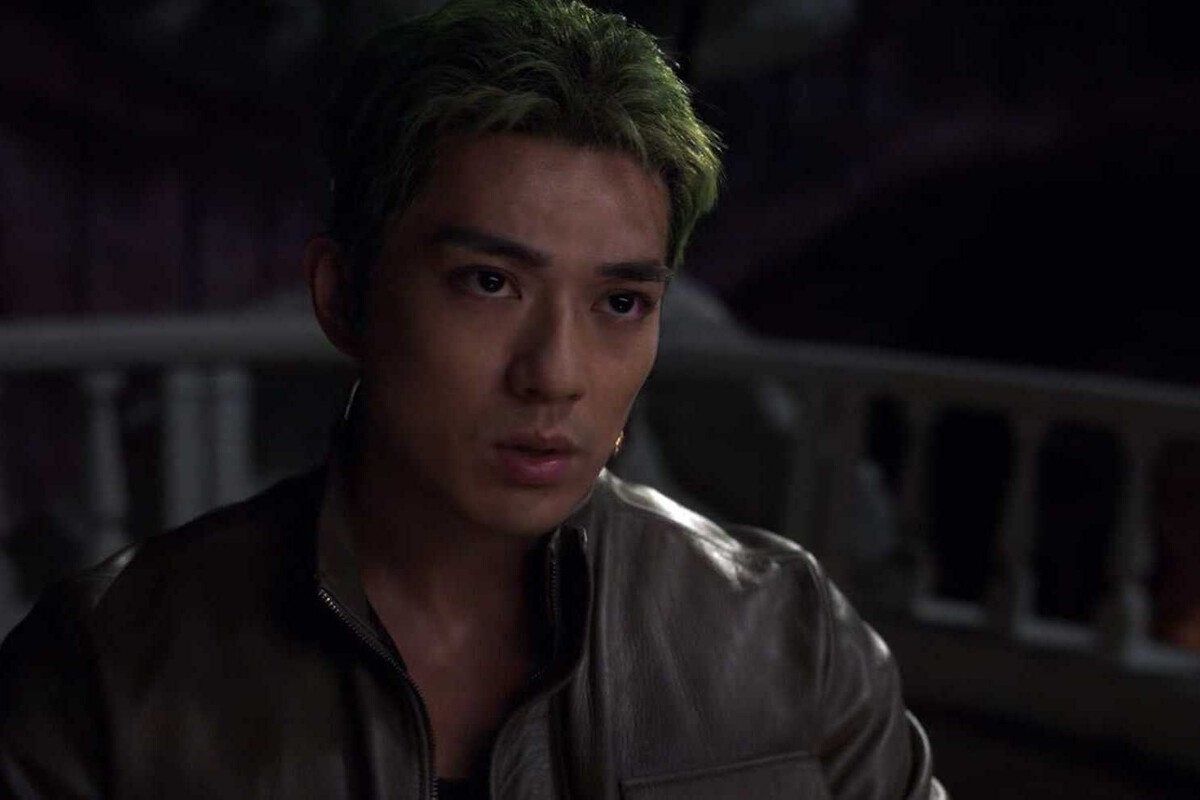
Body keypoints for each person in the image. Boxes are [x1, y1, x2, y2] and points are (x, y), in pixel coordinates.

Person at [0, 1, 946, 797]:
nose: (555, 372)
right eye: (490, 283)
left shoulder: (790, 639)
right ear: (343, 298)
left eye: (621, 302)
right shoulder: (109, 668)